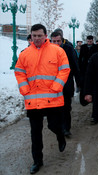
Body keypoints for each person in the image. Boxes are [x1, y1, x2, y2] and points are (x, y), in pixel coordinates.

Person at [14, 24, 70, 174]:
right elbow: (19, 72)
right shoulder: (25, 54)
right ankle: (37, 161)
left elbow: (64, 69)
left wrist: (57, 86)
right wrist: (24, 88)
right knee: (35, 133)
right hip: (33, 100)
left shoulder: (58, 51)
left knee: (54, 125)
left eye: (40, 35)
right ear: (31, 36)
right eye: (34, 36)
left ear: (46, 36)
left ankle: (60, 136)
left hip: (53, 98)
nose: (37, 38)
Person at [51, 31, 80, 137]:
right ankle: (58, 126)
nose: (56, 43)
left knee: (66, 107)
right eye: (54, 41)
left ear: (62, 40)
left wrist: (78, 82)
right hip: (52, 85)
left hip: (66, 83)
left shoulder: (68, 49)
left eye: (58, 41)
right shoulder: (47, 51)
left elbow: (75, 65)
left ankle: (66, 128)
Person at [78, 35, 98, 124]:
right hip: (85, 70)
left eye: (91, 40)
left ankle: (95, 115)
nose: (89, 42)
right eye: (88, 40)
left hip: (94, 71)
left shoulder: (96, 47)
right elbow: (80, 58)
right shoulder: (83, 47)